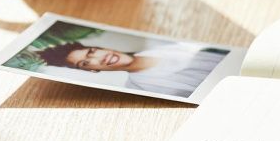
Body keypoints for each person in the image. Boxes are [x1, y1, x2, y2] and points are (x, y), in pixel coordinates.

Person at [38, 40, 227, 98]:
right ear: (92, 71)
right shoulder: (139, 90)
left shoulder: (167, 45)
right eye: (86, 63)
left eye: (92, 51)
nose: (99, 57)